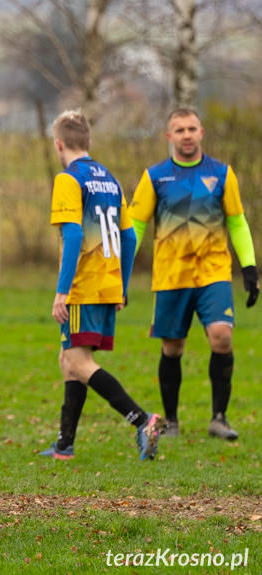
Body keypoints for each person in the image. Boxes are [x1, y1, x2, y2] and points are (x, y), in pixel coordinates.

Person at [40, 109, 163, 462]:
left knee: (78, 361)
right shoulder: (109, 179)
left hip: (84, 285)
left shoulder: (68, 179)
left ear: (59, 144)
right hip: (107, 283)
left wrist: (62, 291)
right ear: (89, 142)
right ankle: (65, 444)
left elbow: (74, 233)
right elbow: (128, 237)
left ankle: (143, 420)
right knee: (69, 358)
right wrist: (121, 286)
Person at [128, 108, 258, 440]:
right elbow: (135, 227)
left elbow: (237, 222)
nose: (186, 134)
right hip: (171, 277)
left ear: (202, 133)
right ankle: (170, 421)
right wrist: (122, 273)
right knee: (173, 348)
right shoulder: (155, 176)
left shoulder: (222, 174)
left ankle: (219, 418)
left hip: (213, 273)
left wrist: (249, 268)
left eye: (192, 128)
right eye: (179, 129)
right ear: (168, 136)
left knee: (222, 336)